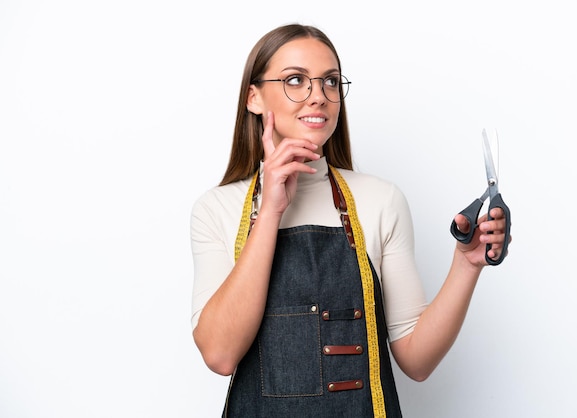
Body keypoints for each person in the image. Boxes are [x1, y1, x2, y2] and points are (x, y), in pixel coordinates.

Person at [190, 23, 511, 417]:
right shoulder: (216, 209)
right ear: (253, 97)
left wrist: (467, 263)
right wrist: (271, 209)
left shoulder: (381, 200)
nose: (318, 97)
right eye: (295, 80)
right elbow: (220, 354)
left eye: (330, 82)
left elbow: (417, 360)